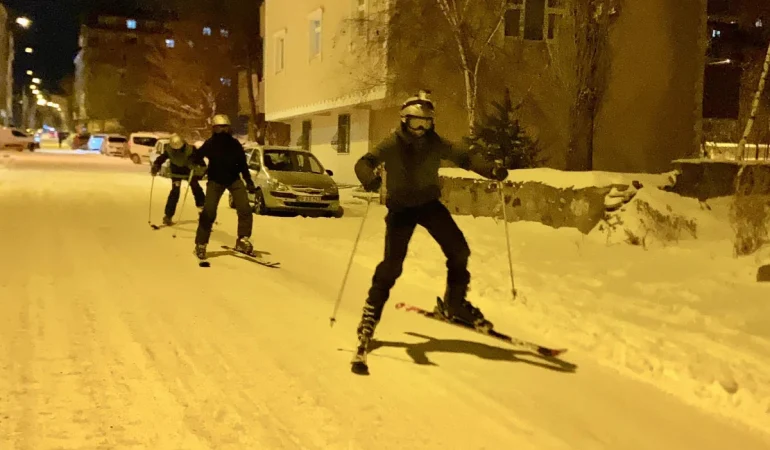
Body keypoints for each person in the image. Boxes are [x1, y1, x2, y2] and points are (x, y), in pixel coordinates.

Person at [353, 90, 509, 347]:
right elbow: (364, 162)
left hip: (428, 205)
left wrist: (490, 170)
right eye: (416, 122)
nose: (421, 129)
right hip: (401, 210)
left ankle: (455, 304)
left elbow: (464, 157)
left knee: (459, 250)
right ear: (404, 121)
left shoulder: (435, 143)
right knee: (392, 266)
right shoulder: (392, 144)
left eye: (426, 123)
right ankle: (371, 313)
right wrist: (368, 178)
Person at [192, 114, 257, 260]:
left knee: (245, 208)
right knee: (209, 211)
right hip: (215, 181)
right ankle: (201, 243)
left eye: (225, 128)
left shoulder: (234, 144)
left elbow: (242, 164)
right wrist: (196, 160)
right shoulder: (210, 143)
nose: (222, 131)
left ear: (228, 128)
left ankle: (243, 239)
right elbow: (198, 156)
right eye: (219, 128)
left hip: (234, 179)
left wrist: (249, 181)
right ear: (214, 129)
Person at [150, 133, 207, 225]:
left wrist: (199, 168)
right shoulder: (169, 150)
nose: (177, 151)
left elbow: (200, 161)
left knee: (197, 190)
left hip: (189, 173)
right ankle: (168, 216)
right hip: (176, 173)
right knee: (175, 193)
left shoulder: (191, 150)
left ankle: (203, 213)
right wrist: (156, 165)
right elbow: (162, 158)